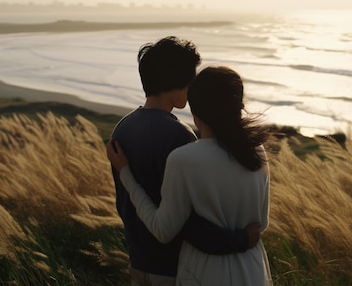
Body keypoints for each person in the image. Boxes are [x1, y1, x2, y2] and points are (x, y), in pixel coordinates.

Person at [109, 37, 259, 286]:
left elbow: (123, 202)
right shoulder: (180, 136)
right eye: (191, 80)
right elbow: (189, 221)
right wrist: (238, 240)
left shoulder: (121, 129)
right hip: (173, 267)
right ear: (176, 83)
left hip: (137, 260)